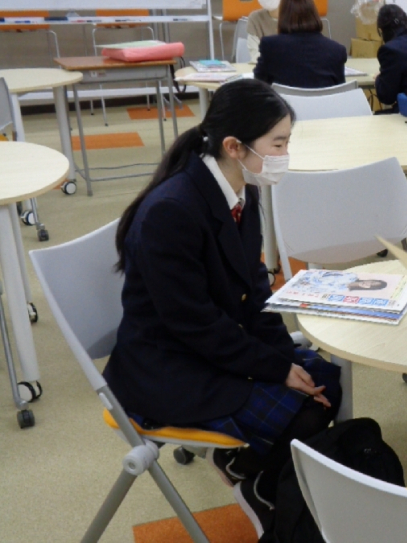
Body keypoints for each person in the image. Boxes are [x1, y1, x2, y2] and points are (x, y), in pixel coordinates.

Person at [104, 79, 343, 538]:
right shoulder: (172, 210)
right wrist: (275, 368)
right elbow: (192, 324)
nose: (285, 154)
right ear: (234, 147)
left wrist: (284, 359)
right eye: (278, 144)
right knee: (305, 409)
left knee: (325, 380)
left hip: (214, 342)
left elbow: (255, 291)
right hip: (169, 365)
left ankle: (251, 471)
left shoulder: (241, 188)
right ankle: (261, 485)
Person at [254, 0, 347, 89]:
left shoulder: (270, 46)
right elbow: (340, 90)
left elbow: (259, 83)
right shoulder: (337, 51)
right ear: (314, 15)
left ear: (283, 17)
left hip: (283, 100)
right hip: (323, 101)